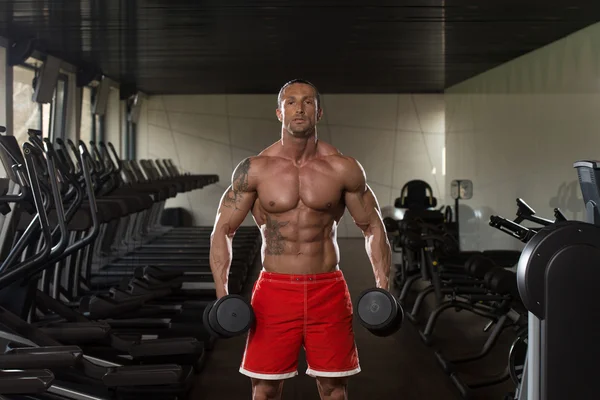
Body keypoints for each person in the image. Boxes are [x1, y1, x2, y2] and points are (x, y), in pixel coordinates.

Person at [209, 79, 392, 400]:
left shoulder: (343, 168)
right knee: (264, 388)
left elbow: (373, 226)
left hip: (328, 289)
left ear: (319, 113)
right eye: (291, 102)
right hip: (274, 290)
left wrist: (384, 289)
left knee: (334, 387)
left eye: (308, 102)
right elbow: (222, 229)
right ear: (279, 112)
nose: (300, 108)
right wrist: (223, 295)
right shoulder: (255, 170)